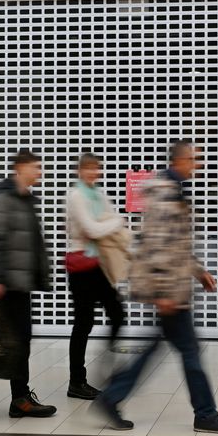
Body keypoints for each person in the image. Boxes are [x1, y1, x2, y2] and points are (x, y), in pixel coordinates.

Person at [95, 140, 218, 434]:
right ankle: (205, 414)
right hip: (170, 292)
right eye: (193, 159)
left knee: (162, 348)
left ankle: (111, 397)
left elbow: (175, 245)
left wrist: (198, 271)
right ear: (179, 161)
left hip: (173, 288)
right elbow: (160, 247)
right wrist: (163, 293)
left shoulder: (173, 191)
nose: (196, 165)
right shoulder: (165, 194)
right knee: (189, 351)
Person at [0, 149, 57, 418]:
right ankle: (19, 398)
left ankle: (19, 395)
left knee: (17, 338)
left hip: (20, 280)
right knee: (18, 339)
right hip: (9, 281)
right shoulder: (6, 197)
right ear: (20, 168)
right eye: (35, 167)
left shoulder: (25, 197)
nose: (40, 172)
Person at [65, 153, 129, 400]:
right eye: (89, 169)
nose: (93, 173)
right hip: (81, 265)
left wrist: (111, 223)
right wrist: (114, 222)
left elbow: (108, 224)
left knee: (117, 313)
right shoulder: (76, 195)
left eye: (97, 168)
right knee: (84, 323)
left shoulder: (99, 193)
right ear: (79, 171)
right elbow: (91, 228)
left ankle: (108, 363)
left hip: (99, 264)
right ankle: (76, 381)